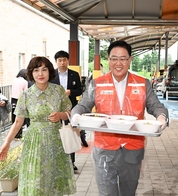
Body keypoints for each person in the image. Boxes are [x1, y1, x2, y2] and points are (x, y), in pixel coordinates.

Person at [70, 40, 169, 196]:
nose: (118, 63)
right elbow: (83, 106)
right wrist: (75, 115)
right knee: (106, 193)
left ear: (130, 60)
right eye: (114, 58)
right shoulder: (97, 84)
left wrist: (162, 117)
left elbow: (156, 106)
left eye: (123, 58)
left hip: (133, 149)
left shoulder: (143, 84)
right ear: (108, 60)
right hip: (104, 148)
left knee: (128, 193)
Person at [0, 56, 76, 195]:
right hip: (34, 142)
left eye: (44, 70)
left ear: (50, 72)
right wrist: (7, 143)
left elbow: (69, 112)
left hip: (56, 141)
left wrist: (60, 115)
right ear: (31, 73)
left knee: (54, 178)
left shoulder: (58, 91)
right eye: (36, 70)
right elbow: (18, 122)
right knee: (36, 179)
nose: (40, 74)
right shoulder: (26, 95)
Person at [50, 50, 84, 171]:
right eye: (60, 60)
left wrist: (71, 92)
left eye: (64, 60)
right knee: (56, 135)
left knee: (70, 132)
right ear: (56, 62)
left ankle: (71, 162)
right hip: (55, 109)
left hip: (71, 109)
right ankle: (58, 162)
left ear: (68, 61)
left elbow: (80, 91)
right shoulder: (51, 74)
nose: (62, 62)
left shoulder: (74, 74)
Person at [11, 69, 28, 140]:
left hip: (13, 99)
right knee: (20, 117)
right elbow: (26, 92)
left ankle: (13, 134)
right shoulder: (25, 81)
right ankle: (19, 135)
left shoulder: (14, 80)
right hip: (20, 99)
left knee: (14, 117)